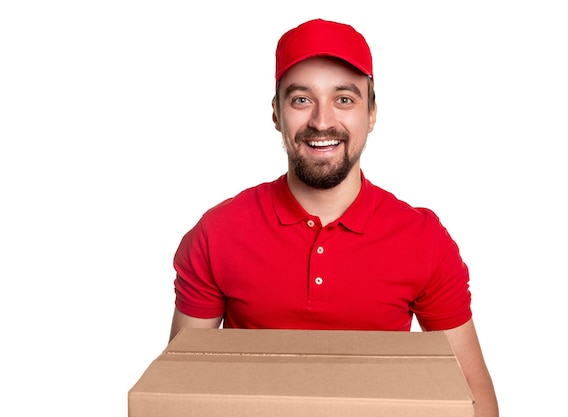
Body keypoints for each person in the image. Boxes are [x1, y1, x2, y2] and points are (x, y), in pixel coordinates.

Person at [169, 18, 499, 417]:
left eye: (344, 99)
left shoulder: (422, 239)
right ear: (276, 113)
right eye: (301, 100)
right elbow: (180, 388)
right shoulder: (218, 234)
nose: (322, 122)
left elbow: (472, 395)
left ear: (372, 114)